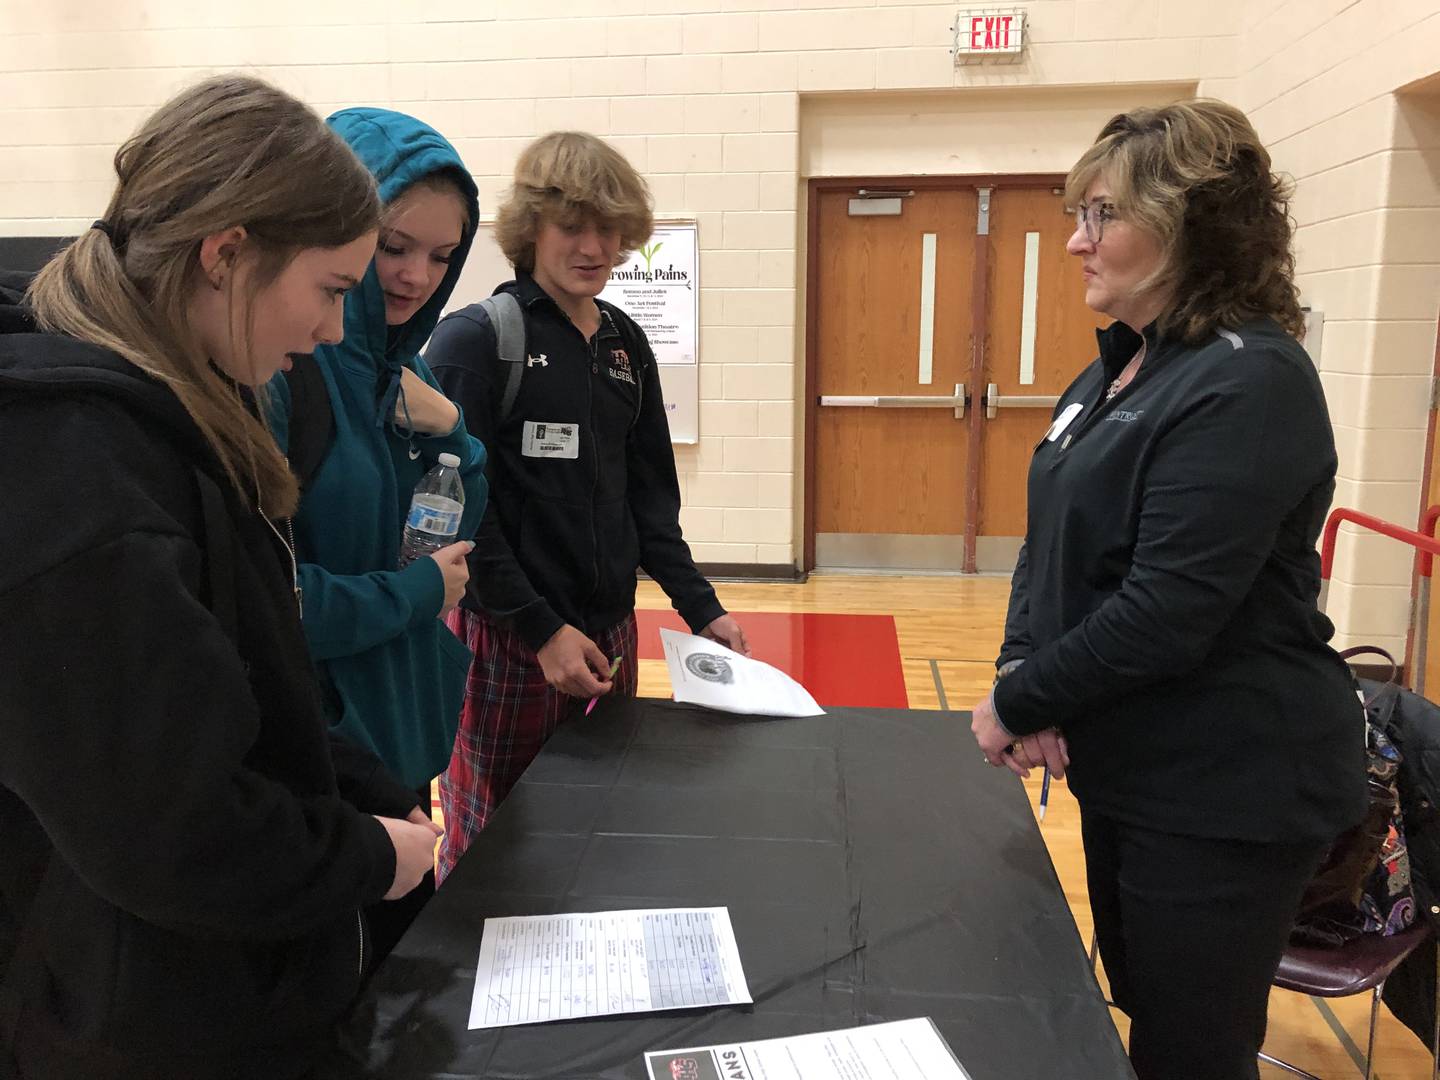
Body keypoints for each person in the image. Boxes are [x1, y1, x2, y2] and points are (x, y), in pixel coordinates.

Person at [0, 75, 442, 1079]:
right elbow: (170, 827)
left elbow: (229, 693)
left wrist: (358, 789)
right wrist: (366, 859)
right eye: (331, 290)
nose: (334, 332)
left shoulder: (158, 418)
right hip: (138, 1022)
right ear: (227, 254)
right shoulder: (75, 474)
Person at [968, 100, 1368, 1080]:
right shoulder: (1107, 375)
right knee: (1149, 1013)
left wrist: (1020, 701)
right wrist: (1027, 661)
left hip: (1228, 785)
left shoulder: (1250, 381)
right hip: (1137, 765)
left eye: (1101, 214)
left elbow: (1169, 611)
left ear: (1188, 222)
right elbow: (1049, 544)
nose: (1075, 241)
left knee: (1190, 1052)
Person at [424, 131, 748, 880]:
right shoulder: (475, 343)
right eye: (575, 226)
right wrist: (541, 632)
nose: (595, 246)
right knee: (494, 847)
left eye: (611, 230)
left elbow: (650, 506)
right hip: (509, 647)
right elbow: (463, 515)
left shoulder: (627, 345)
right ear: (532, 228)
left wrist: (703, 609)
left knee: (604, 830)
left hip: (609, 639)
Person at [266, 108, 488, 961]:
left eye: (441, 256)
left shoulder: (410, 365)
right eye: (394, 246)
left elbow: (459, 521)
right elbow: (267, 597)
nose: (415, 276)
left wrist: (456, 437)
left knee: (403, 986)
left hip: (400, 737)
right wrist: (418, 593)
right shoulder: (283, 368)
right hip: (320, 755)